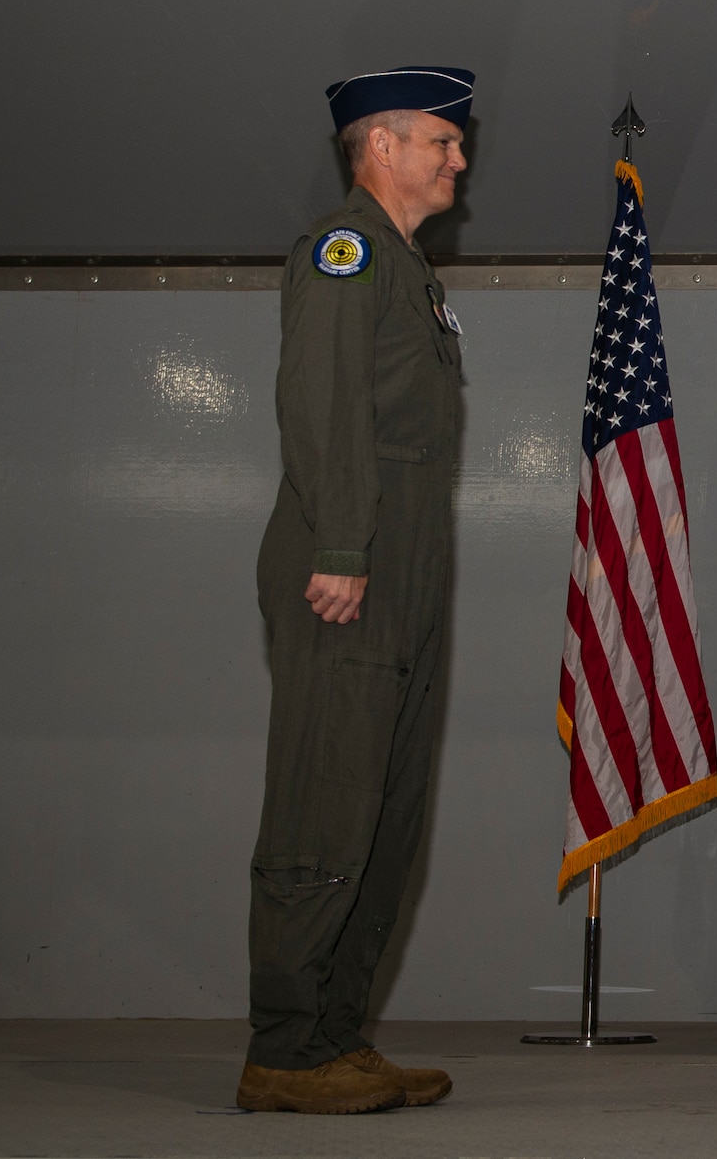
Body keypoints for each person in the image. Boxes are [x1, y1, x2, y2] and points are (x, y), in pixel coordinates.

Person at [237, 66, 474, 1115]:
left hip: (404, 567)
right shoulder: (345, 253)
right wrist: (340, 543)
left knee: (387, 813)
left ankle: (336, 1033)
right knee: (324, 803)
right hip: (351, 563)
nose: (458, 160)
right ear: (380, 144)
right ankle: (285, 1047)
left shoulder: (408, 270)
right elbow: (321, 401)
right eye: (442, 141)